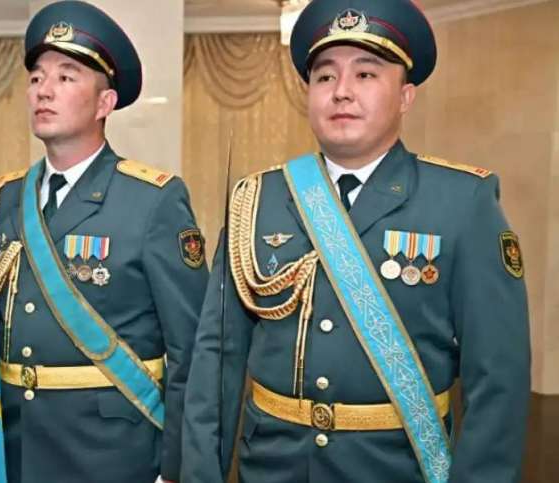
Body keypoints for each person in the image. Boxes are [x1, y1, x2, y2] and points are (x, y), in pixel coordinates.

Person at [181, 1, 531, 482]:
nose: (341, 91)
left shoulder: (462, 201)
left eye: (365, 75)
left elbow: (498, 377)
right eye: (325, 77)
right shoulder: (256, 201)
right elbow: (216, 359)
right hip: (272, 467)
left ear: (405, 96)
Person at [0, 2, 208, 482]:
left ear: (105, 103)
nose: (44, 90)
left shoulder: (153, 201)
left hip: (111, 455)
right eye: (36, 78)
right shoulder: (4, 199)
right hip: (16, 451)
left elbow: (192, 350)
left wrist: (175, 468)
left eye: (66, 77)